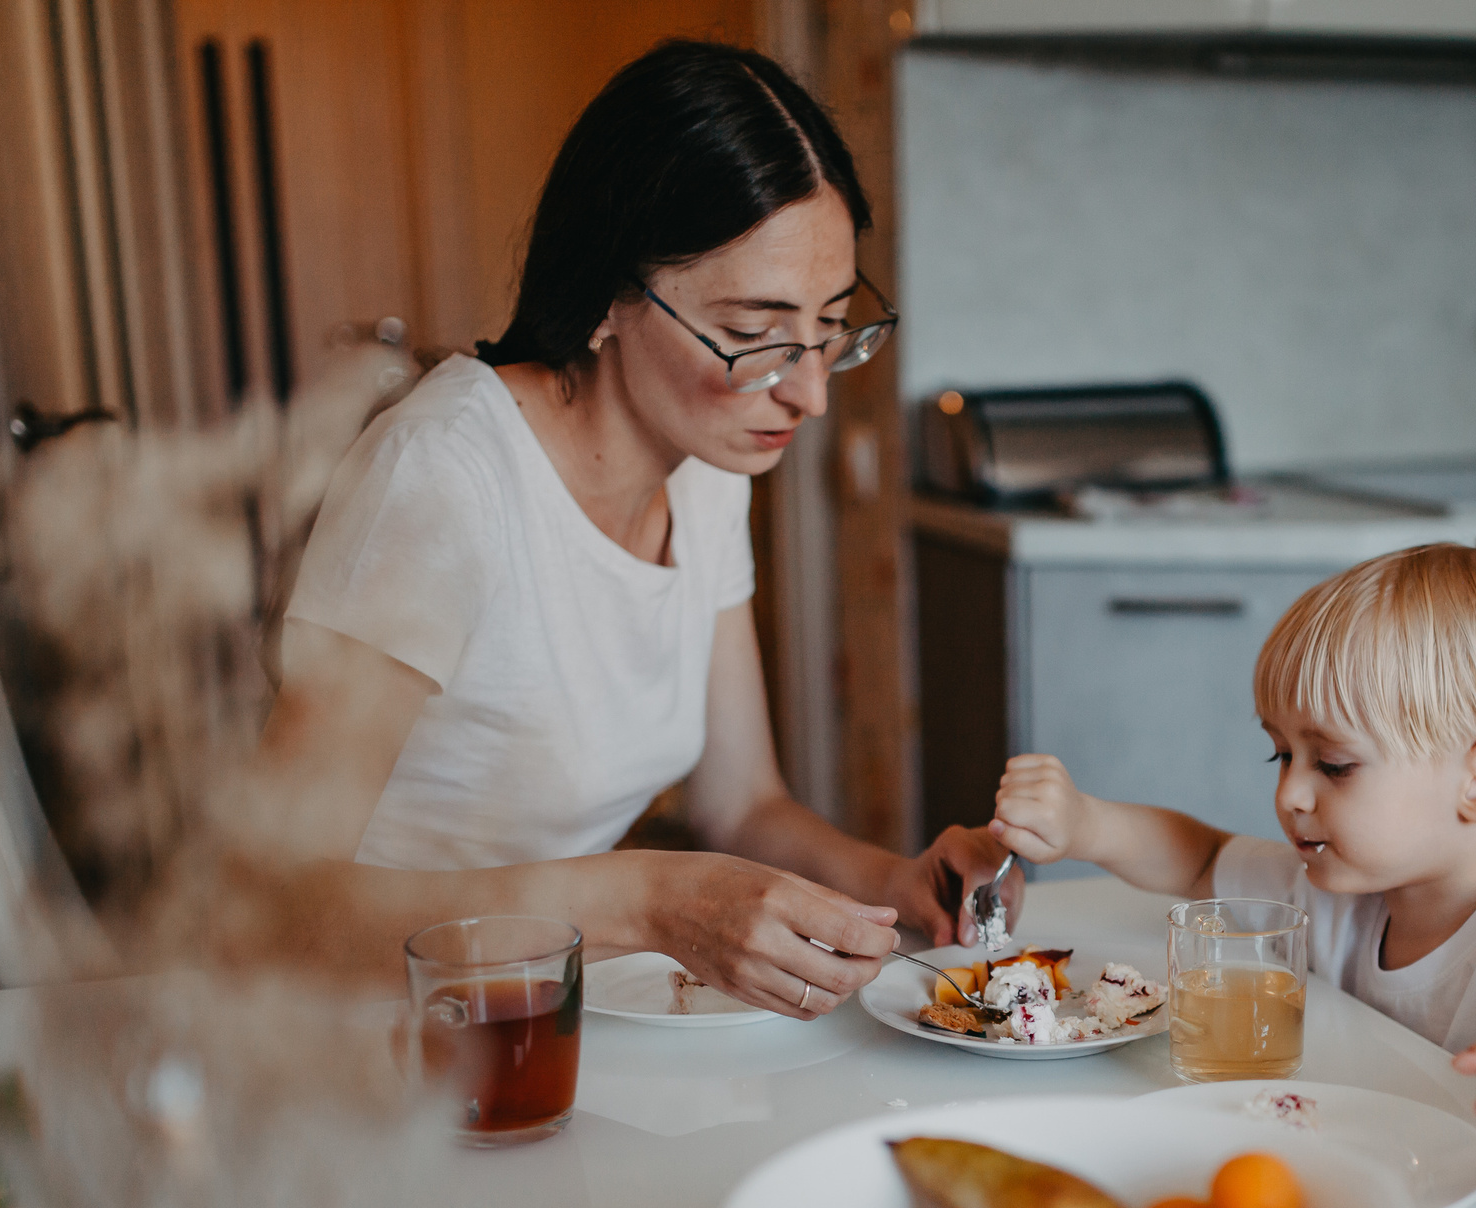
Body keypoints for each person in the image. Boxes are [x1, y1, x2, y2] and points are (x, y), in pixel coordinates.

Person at [248, 41, 1009, 1013]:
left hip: (545, 1019)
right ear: (611, 297)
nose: (811, 393)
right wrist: (649, 895)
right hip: (371, 1038)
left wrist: (893, 883)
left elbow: (740, 805)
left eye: (827, 330)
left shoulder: (708, 467)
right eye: (753, 336)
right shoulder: (443, 481)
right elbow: (272, 904)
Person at [987, 543, 1476, 1172]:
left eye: (1335, 765)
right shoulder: (1335, 882)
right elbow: (1201, 861)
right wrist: (1086, 822)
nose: (1289, 792)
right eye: (1281, 753)